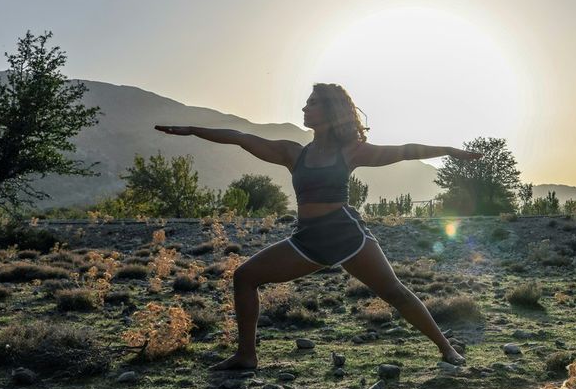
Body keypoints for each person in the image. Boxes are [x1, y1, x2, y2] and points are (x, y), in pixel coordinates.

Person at [154, 82, 482, 371]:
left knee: (394, 291)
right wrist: (194, 130)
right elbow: (241, 138)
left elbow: (405, 152)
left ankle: (447, 348)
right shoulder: (293, 153)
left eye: (312, 102)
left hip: (346, 235)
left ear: (330, 110)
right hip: (307, 241)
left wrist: (449, 151)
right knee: (244, 276)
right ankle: (246, 355)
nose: (304, 107)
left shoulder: (351, 151)